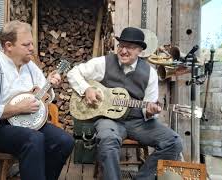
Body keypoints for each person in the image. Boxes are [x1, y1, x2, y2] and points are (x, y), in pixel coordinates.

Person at [67, 27, 183, 180]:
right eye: (121, 45)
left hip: (137, 122)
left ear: (140, 50)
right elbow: (73, 73)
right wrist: (86, 89)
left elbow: (148, 108)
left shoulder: (150, 74)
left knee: (174, 142)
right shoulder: (104, 62)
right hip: (109, 120)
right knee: (108, 140)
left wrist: (149, 111)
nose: (123, 51)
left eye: (130, 47)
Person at [0, 20, 74, 180]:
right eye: (26, 45)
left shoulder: (31, 67)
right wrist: (16, 109)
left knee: (64, 141)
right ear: (8, 46)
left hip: (33, 124)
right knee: (34, 139)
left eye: (32, 44)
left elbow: (46, 96)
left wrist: (47, 92)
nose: (32, 49)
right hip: (0, 129)